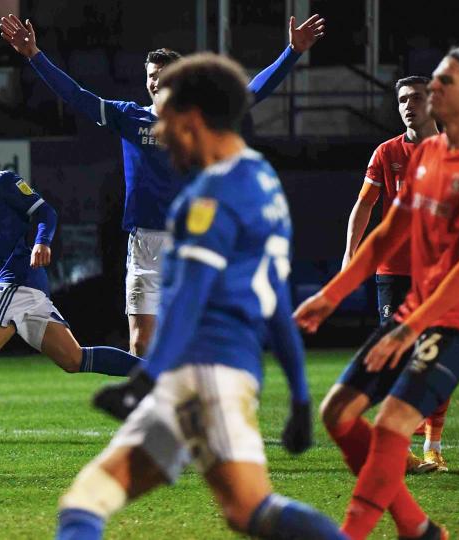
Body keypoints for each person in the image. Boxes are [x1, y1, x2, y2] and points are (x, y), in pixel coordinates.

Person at [54, 53, 343, 540]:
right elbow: (274, 298)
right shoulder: (263, 181)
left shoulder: (203, 200)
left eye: (167, 119)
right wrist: (298, 395)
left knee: (87, 502)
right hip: (230, 373)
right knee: (248, 511)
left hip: (202, 376)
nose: (160, 133)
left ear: (192, 118)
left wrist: (145, 379)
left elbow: (189, 301)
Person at [0, 13, 325, 357]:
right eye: (151, 76)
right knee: (140, 343)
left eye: (163, 75)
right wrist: (34, 56)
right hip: (145, 244)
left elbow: (252, 92)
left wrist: (292, 52)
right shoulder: (129, 117)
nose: (156, 82)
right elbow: (76, 95)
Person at [294, 42, 459, 539]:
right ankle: (417, 528)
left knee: (391, 423)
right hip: (413, 304)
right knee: (337, 412)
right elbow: (389, 232)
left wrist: (410, 328)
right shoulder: (427, 155)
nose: (433, 90)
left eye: (446, 81)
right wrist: (335, 291)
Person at [0, 128, 145, 467]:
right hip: (22, 288)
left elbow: (46, 212)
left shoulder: (2, 182)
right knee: (74, 359)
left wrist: (42, 242)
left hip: (16, 280)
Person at [341, 76, 450, 473]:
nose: (408, 106)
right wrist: (350, 254)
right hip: (395, 271)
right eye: (402, 99)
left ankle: (433, 447)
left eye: (416, 98)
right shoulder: (387, 153)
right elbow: (364, 205)